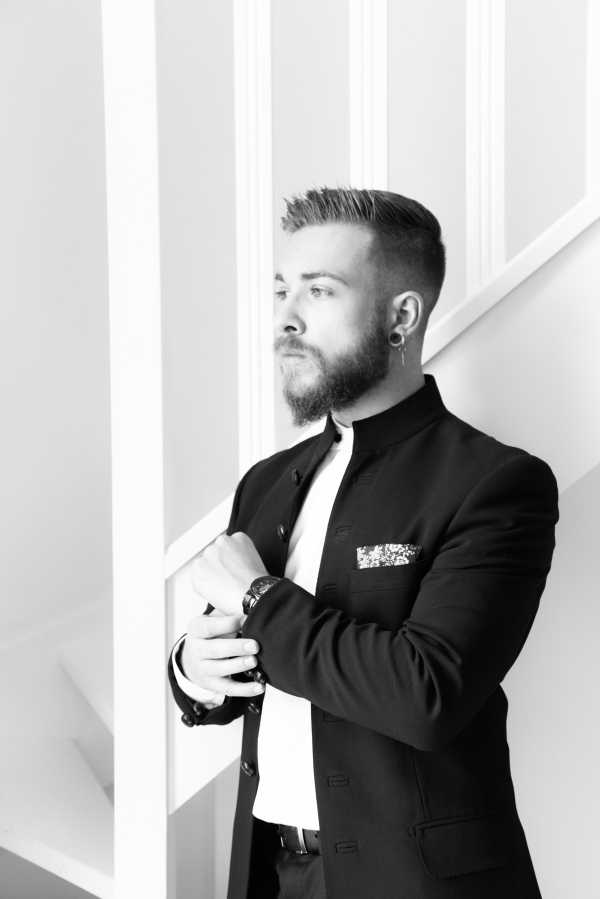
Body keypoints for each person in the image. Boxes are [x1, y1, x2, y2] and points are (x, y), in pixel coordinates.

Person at [167, 186, 559, 899]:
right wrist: (193, 669)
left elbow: (425, 693)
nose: (286, 316)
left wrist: (257, 595)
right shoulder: (266, 482)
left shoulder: (497, 483)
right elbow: (242, 669)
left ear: (400, 316)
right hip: (268, 872)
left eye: (319, 290)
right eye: (282, 289)